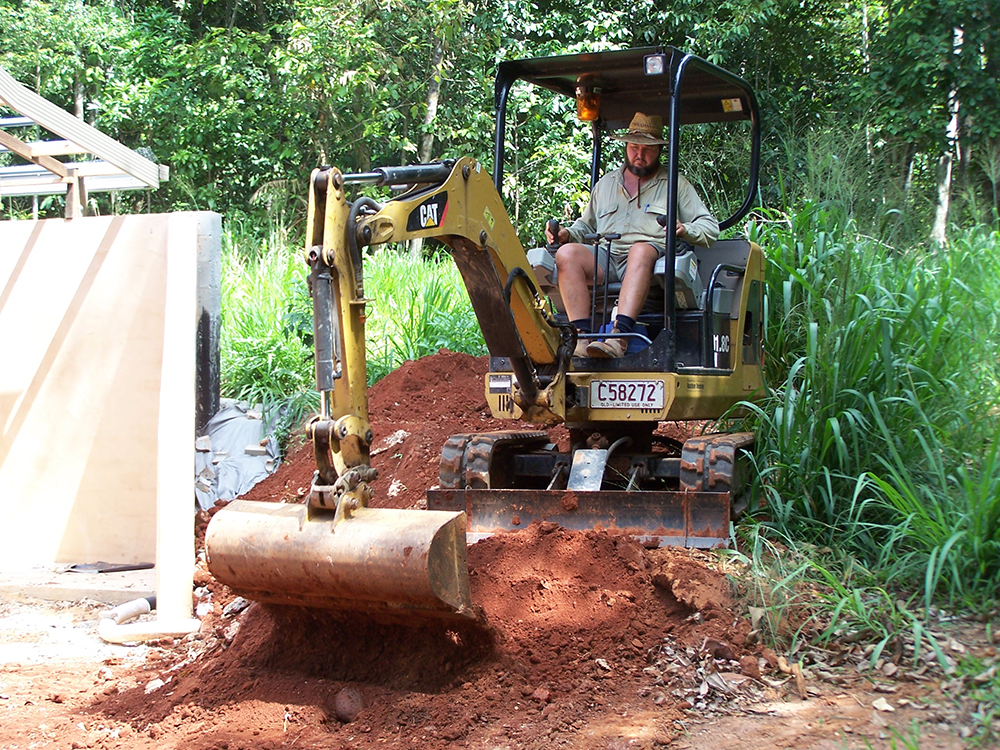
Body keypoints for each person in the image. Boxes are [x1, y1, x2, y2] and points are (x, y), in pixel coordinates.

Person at [546, 112, 719, 358]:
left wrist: (684, 229)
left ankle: (619, 338)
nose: (639, 154)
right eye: (634, 147)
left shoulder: (675, 184)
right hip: (607, 257)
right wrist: (566, 234)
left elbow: (710, 227)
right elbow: (585, 226)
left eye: (647, 149)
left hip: (652, 264)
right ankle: (581, 339)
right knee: (567, 254)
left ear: (659, 150)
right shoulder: (606, 184)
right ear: (626, 147)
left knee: (640, 249)